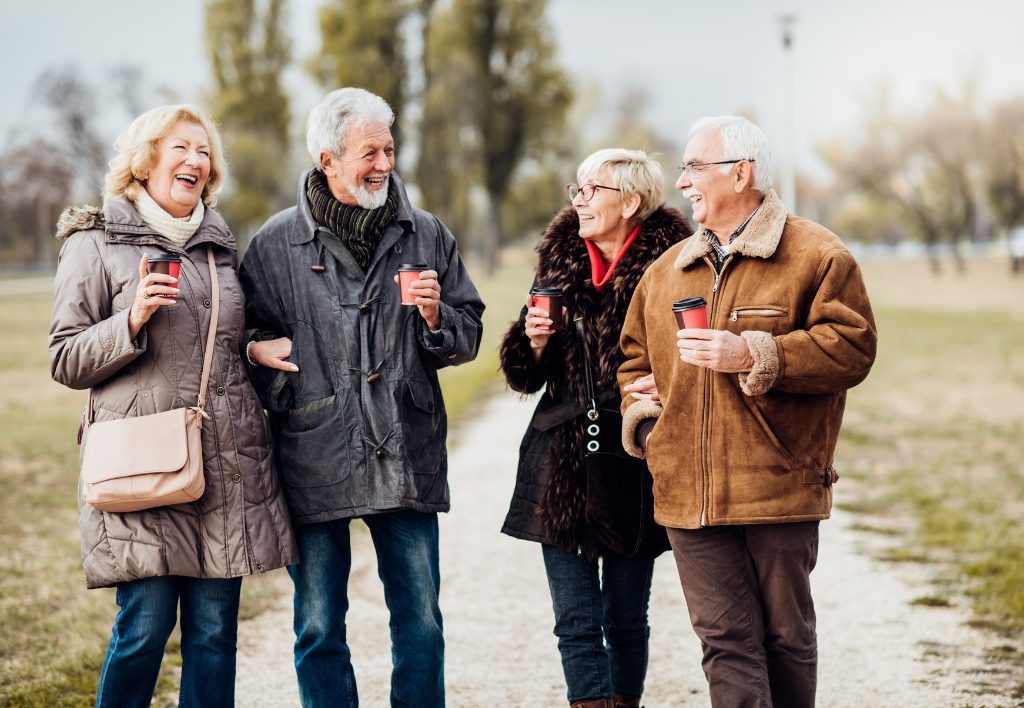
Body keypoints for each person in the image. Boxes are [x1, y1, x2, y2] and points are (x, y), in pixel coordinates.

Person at [617, 116, 878, 707]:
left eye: (693, 166)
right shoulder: (666, 274)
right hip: (687, 493)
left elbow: (853, 347)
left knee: (785, 638)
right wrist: (650, 422)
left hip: (778, 486)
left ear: (742, 173)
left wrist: (755, 354)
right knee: (725, 640)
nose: (682, 180)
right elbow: (633, 363)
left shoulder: (816, 254)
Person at [238, 87, 484, 708]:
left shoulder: (425, 234)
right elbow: (247, 339)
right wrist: (262, 357)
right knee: (319, 625)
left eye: (389, 149)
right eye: (368, 152)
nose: (383, 164)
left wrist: (435, 319)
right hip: (315, 453)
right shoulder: (273, 245)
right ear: (327, 160)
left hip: (405, 447)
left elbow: (468, 332)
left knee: (421, 619)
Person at [48, 104, 298, 707]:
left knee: (214, 634)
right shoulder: (96, 243)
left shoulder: (218, 247)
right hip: (144, 467)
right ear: (148, 158)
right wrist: (130, 320)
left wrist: (255, 351)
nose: (195, 160)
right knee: (145, 629)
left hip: (222, 465)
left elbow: (218, 341)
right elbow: (63, 357)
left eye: (204, 151)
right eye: (181, 147)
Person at [499, 148, 691, 708]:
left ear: (630, 202)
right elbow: (525, 375)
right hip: (560, 458)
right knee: (575, 620)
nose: (578, 199)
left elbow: (690, 355)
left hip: (634, 458)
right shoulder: (558, 260)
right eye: (576, 189)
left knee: (626, 618)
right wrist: (532, 341)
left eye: (591, 189)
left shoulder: (674, 264)